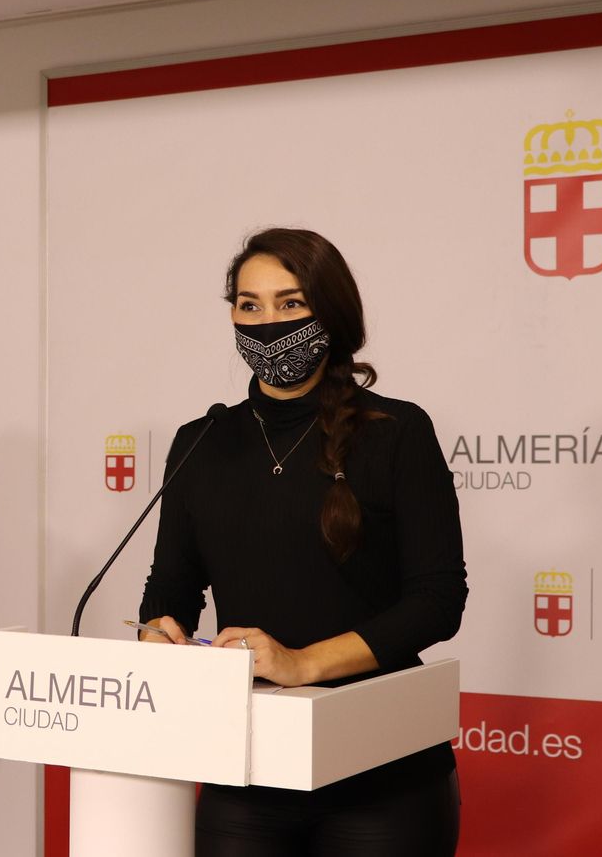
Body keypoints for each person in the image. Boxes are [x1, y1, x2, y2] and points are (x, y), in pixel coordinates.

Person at [138, 229, 467, 856]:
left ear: (331, 313)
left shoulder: (396, 431)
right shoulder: (200, 441)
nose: (268, 323)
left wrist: (302, 663)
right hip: (247, 767)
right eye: (249, 305)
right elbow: (172, 587)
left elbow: (437, 600)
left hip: (383, 774)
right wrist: (159, 632)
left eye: (290, 303)